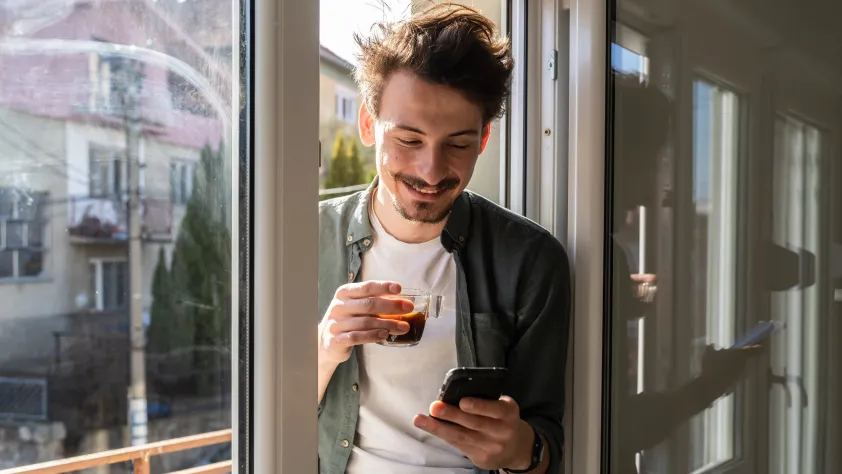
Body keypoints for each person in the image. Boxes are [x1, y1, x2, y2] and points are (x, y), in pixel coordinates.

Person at [316, 4, 571, 474]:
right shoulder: (303, 241)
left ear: (484, 138)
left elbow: (547, 445)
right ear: (369, 125)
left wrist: (521, 449)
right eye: (409, 140)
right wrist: (324, 348)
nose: (431, 172)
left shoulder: (532, 260)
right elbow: (258, 412)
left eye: (457, 144)